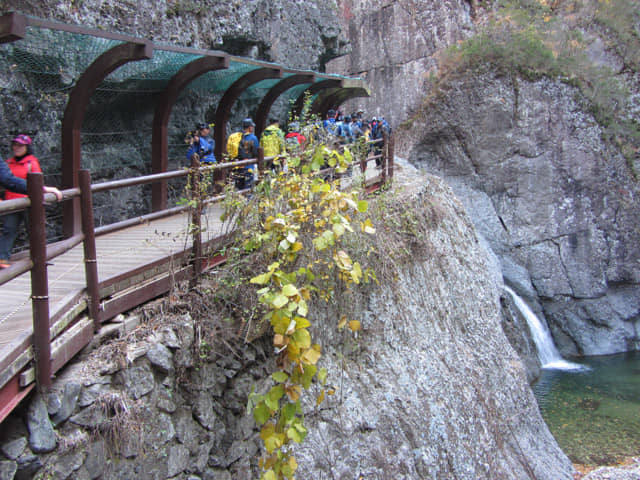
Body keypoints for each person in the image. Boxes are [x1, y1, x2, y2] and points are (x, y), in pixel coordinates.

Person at [0, 134, 62, 268]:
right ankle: (2, 259)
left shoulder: (31, 162)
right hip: (11, 203)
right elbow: (6, 181)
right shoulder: (8, 162)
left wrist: (40, 189)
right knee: (8, 230)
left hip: (28, 202)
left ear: (27, 147)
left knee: (33, 229)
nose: (17, 148)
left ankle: (39, 257)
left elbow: (35, 180)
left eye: (20, 145)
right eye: (15, 145)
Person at [235, 118, 260, 190]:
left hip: (239, 166)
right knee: (249, 188)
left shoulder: (238, 137)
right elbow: (256, 152)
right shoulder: (253, 138)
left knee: (240, 189)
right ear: (250, 127)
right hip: (249, 166)